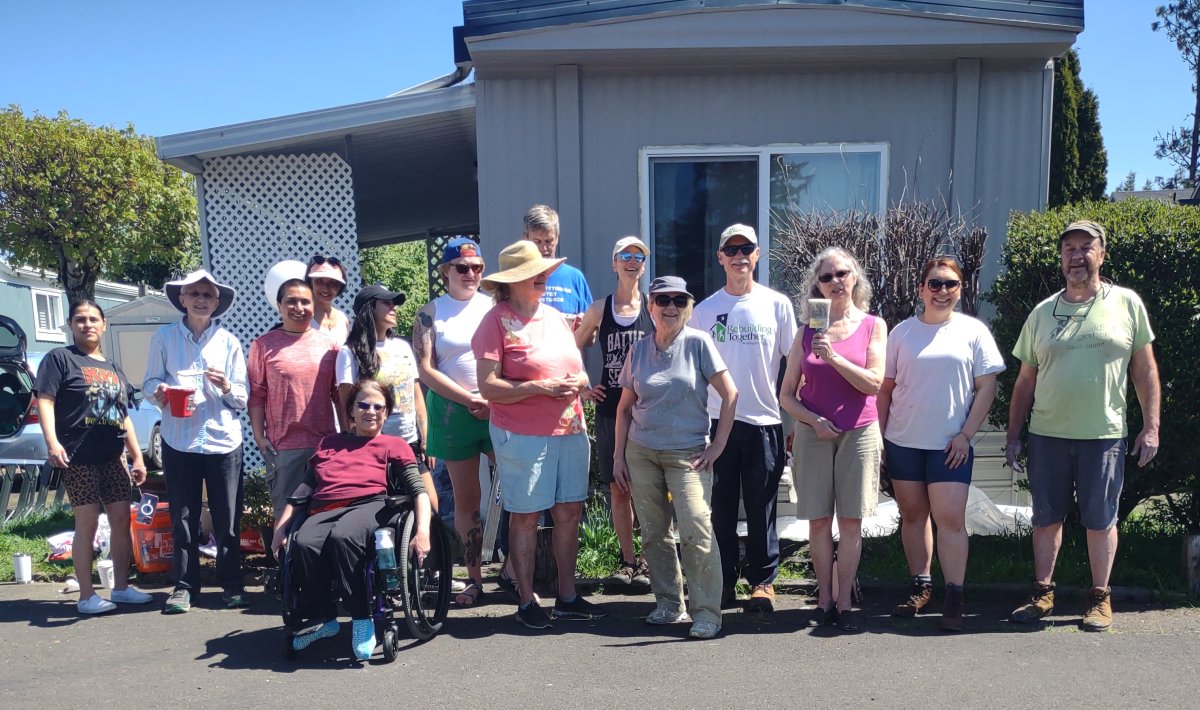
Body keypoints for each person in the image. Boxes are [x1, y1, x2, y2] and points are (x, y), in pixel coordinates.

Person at [1005, 220, 1160, 631]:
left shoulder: (1127, 304)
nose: (1077, 255)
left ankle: (1099, 599)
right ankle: (1042, 594)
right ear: (1061, 259)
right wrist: (1013, 436)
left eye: (1085, 247)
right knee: (1045, 518)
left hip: (1104, 436)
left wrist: (1151, 427)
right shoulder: (1042, 313)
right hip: (1047, 435)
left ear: (1101, 254)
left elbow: (1144, 371)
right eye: (1069, 248)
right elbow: (1025, 380)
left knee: (1101, 520)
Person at [473, 239, 607, 629]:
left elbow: (579, 370)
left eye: (544, 273)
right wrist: (537, 388)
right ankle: (527, 599)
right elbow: (488, 387)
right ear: (512, 282)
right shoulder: (494, 321)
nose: (543, 279)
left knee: (569, 512)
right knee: (527, 515)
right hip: (522, 434)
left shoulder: (553, 317)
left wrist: (577, 381)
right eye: (535, 275)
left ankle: (567, 596)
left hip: (570, 427)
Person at [875, 257, 1005, 631]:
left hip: (951, 446)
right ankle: (921, 586)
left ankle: (955, 595)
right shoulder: (902, 333)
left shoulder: (973, 332)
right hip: (903, 441)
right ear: (921, 289)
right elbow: (886, 389)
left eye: (950, 284)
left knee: (950, 521)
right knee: (913, 517)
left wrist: (966, 435)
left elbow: (987, 387)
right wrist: (882, 438)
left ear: (960, 289)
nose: (943, 291)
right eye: (935, 284)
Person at [613, 276, 737, 640]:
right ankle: (669, 603)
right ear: (649, 306)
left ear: (688, 307)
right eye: (662, 300)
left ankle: (707, 613)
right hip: (642, 452)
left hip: (689, 454)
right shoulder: (638, 350)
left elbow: (730, 395)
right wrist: (619, 457)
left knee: (697, 528)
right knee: (654, 533)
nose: (670, 307)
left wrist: (717, 447)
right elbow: (624, 408)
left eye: (679, 301)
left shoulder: (699, 343)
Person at [271, 380, 432, 661]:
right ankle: (326, 619)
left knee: (343, 537)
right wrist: (280, 527)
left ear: (386, 413)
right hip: (323, 507)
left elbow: (419, 492)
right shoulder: (329, 444)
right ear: (351, 411)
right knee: (304, 543)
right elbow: (303, 490)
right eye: (363, 405)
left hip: (369, 504)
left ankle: (362, 619)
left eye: (378, 407)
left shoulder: (394, 445)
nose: (371, 411)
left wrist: (423, 531)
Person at [688, 223, 797, 612]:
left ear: (757, 254)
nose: (739, 256)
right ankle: (722, 581)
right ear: (720, 258)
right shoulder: (703, 311)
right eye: (730, 250)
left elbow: (795, 363)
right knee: (718, 507)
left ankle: (763, 582)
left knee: (761, 505)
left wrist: (795, 420)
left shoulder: (778, 305)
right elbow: (693, 372)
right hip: (717, 424)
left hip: (765, 420)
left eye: (745, 249)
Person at [780, 246, 886, 631]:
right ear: (818, 286)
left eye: (842, 274)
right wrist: (813, 420)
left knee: (852, 521)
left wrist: (835, 358)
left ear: (854, 277)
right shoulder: (806, 331)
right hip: (813, 433)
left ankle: (844, 600)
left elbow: (873, 384)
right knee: (819, 522)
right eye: (826, 277)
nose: (835, 282)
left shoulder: (874, 325)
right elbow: (786, 395)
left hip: (859, 431)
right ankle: (823, 597)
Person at [35, 300, 153, 614]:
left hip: (113, 457)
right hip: (78, 456)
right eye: (80, 320)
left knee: (120, 522)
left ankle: (122, 588)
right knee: (86, 524)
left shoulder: (113, 368)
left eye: (93, 320)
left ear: (103, 325)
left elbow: (123, 415)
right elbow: (44, 401)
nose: (87, 325)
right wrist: (52, 442)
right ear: (71, 326)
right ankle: (87, 595)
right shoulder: (59, 359)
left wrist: (137, 457)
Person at [144, 270, 249, 614]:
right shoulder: (164, 337)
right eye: (195, 294)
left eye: (208, 295)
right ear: (183, 300)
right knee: (183, 517)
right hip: (179, 439)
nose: (202, 299)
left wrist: (227, 388)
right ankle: (185, 586)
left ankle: (232, 584)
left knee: (228, 518)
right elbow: (150, 382)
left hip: (223, 441)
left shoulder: (230, 342)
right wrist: (158, 392)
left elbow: (244, 398)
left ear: (217, 303)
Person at [413, 237, 496, 606]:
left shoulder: (494, 306)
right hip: (452, 412)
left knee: (520, 492)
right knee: (467, 499)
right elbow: (426, 369)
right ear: (446, 270)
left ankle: (516, 571)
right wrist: (469, 399)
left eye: (477, 267)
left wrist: (494, 399)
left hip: (499, 409)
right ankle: (475, 578)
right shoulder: (430, 312)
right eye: (462, 268)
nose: (471, 274)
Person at [575, 235, 654, 587]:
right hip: (609, 410)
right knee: (619, 487)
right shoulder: (598, 309)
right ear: (614, 263)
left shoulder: (654, 306)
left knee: (649, 489)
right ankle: (627, 561)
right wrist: (583, 387)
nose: (632, 261)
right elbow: (571, 347)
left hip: (647, 410)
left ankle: (653, 563)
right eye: (625, 255)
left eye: (639, 256)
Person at [249, 265, 342, 522]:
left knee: (325, 517)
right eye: (291, 301)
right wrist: (259, 437)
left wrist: (347, 435)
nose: (299, 308)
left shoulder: (330, 345)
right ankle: (288, 564)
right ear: (279, 305)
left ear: (314, 305)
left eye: (305, 301)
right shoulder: (263, 345)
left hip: (325, 445)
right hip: (283, 448)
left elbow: (338, 394)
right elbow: (256, 395)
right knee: (286, 522)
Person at [523, 204, 593, 320]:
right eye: (537, 241)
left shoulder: (575, 277)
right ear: (526, 238)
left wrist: (582, 326)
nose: (544, 248)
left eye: (548, 241)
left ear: (557, 239)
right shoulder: (517, 279)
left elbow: (592, 327)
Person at [307, 254, 351, 344]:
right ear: (311, 283)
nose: (326, 288)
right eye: (319, 281)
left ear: (339, 287)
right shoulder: (304, 317)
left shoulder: (342, 318)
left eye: (333, 283)